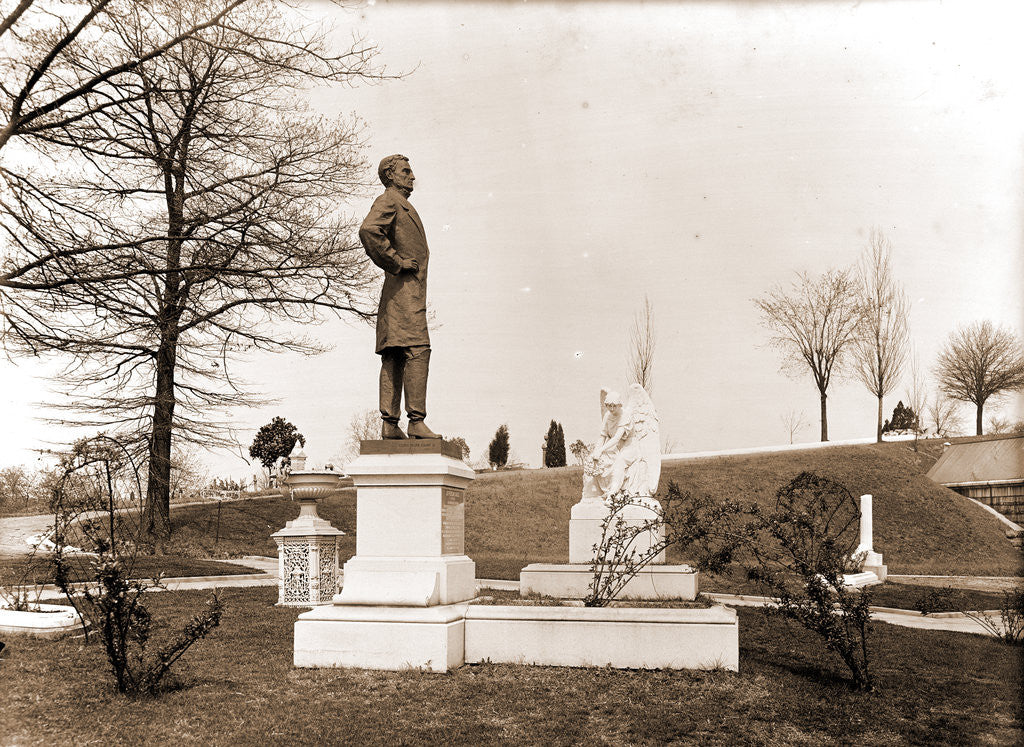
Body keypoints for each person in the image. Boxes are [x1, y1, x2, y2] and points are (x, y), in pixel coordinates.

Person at [359, 154, 441, 439]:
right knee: (418, 350)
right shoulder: (390, 201)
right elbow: (369, 230)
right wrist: (396, 262)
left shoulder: (402, 204)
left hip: (399, 297)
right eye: (406, 171)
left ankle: (389, 423)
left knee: (394, 355)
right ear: (390, 175)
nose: (412, 176)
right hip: (403, 296)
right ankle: (415, 421)